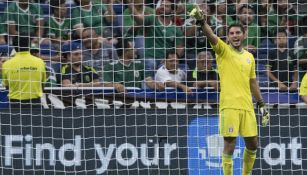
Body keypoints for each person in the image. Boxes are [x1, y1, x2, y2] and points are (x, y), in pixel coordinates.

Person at [190, 6, 269, 175]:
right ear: (228, 37)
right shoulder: (223, 51)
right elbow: (211, 36)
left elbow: (253, 82)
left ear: (244, 35)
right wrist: (202, 21)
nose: (235, 36)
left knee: (253, 143)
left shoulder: (249, 57)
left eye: (237, 33)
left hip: (247, 106)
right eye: (232, 33)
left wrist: (261, 103)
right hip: (230, 106)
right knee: (230, 144)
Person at [129, 0, 184, 72]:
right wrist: (129, 3)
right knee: (150, 64)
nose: (162, 7)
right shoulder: (152, 19)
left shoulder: (176, 29)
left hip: (165, 60)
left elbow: (180, 48)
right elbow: (138, 19)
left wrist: (170, 60)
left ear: (173, 11)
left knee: (168, 69)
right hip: (150, 57)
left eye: (166, 6)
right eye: (161, 5)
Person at [2, 36, 46, 108]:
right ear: (29, 46)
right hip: (35, 103)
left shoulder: (6, 64)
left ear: (14, 46)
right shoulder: (40, 62)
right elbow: (42, 84)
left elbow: (7, 86)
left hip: (15, 104)